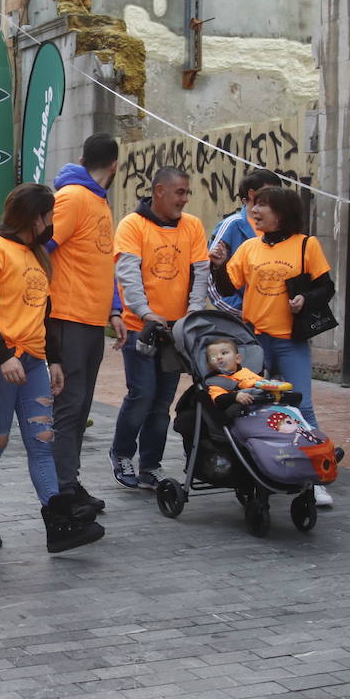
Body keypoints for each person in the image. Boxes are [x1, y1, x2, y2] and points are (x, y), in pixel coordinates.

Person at [0, 182, 105, 554]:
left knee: (43, 443)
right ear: (34, 216)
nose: (52, 222)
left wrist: (53, 360)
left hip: (32, 360)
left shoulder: (39, 255)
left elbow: (44, 314)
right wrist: (2, 356)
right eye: (49, 215)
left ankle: (59, 524)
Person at [209, 185, 334, 505]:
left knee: (301, 405)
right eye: (255, 205)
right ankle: (258, 466)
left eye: (263, 206)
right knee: (254, 403)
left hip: (289, 342)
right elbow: (226, 288)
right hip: (255, 341)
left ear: (282, 213)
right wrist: (219, 265)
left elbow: (326, 288)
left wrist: (305, 298)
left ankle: (314, 476)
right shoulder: (249, 247)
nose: (254, 211)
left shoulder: (307, 245)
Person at [111, 167, 209, 492]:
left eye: (186, 193)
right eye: (179, 192)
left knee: (161, 402)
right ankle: (122, 454)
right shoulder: (132, 226)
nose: (185, 199)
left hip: (175, 334)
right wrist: (146, 313)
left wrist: (192, 314)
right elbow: (128, 273)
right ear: (159, 191)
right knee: (141, 395)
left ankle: (149, 466)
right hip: (140, 329)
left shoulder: (192, 226)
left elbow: (200, 271)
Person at [45, 133, 122, 516]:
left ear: (81, 155)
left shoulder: (97, 201)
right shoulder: (73, 198)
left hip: (91, 321)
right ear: (115, 166)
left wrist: (114, 311)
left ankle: (70, 482)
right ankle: (61, 491)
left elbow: (102, 263)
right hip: (69, 318)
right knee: (69, 409)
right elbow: (40, 246)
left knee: (80, 408)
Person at [208, 169, 283, 319]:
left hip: (278, 321)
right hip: (243, 322)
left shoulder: (282, 227)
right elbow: (210, 277)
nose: (277, 198)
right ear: (252, 194)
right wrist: (242, 311)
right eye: (271, 192)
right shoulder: (231, 226)